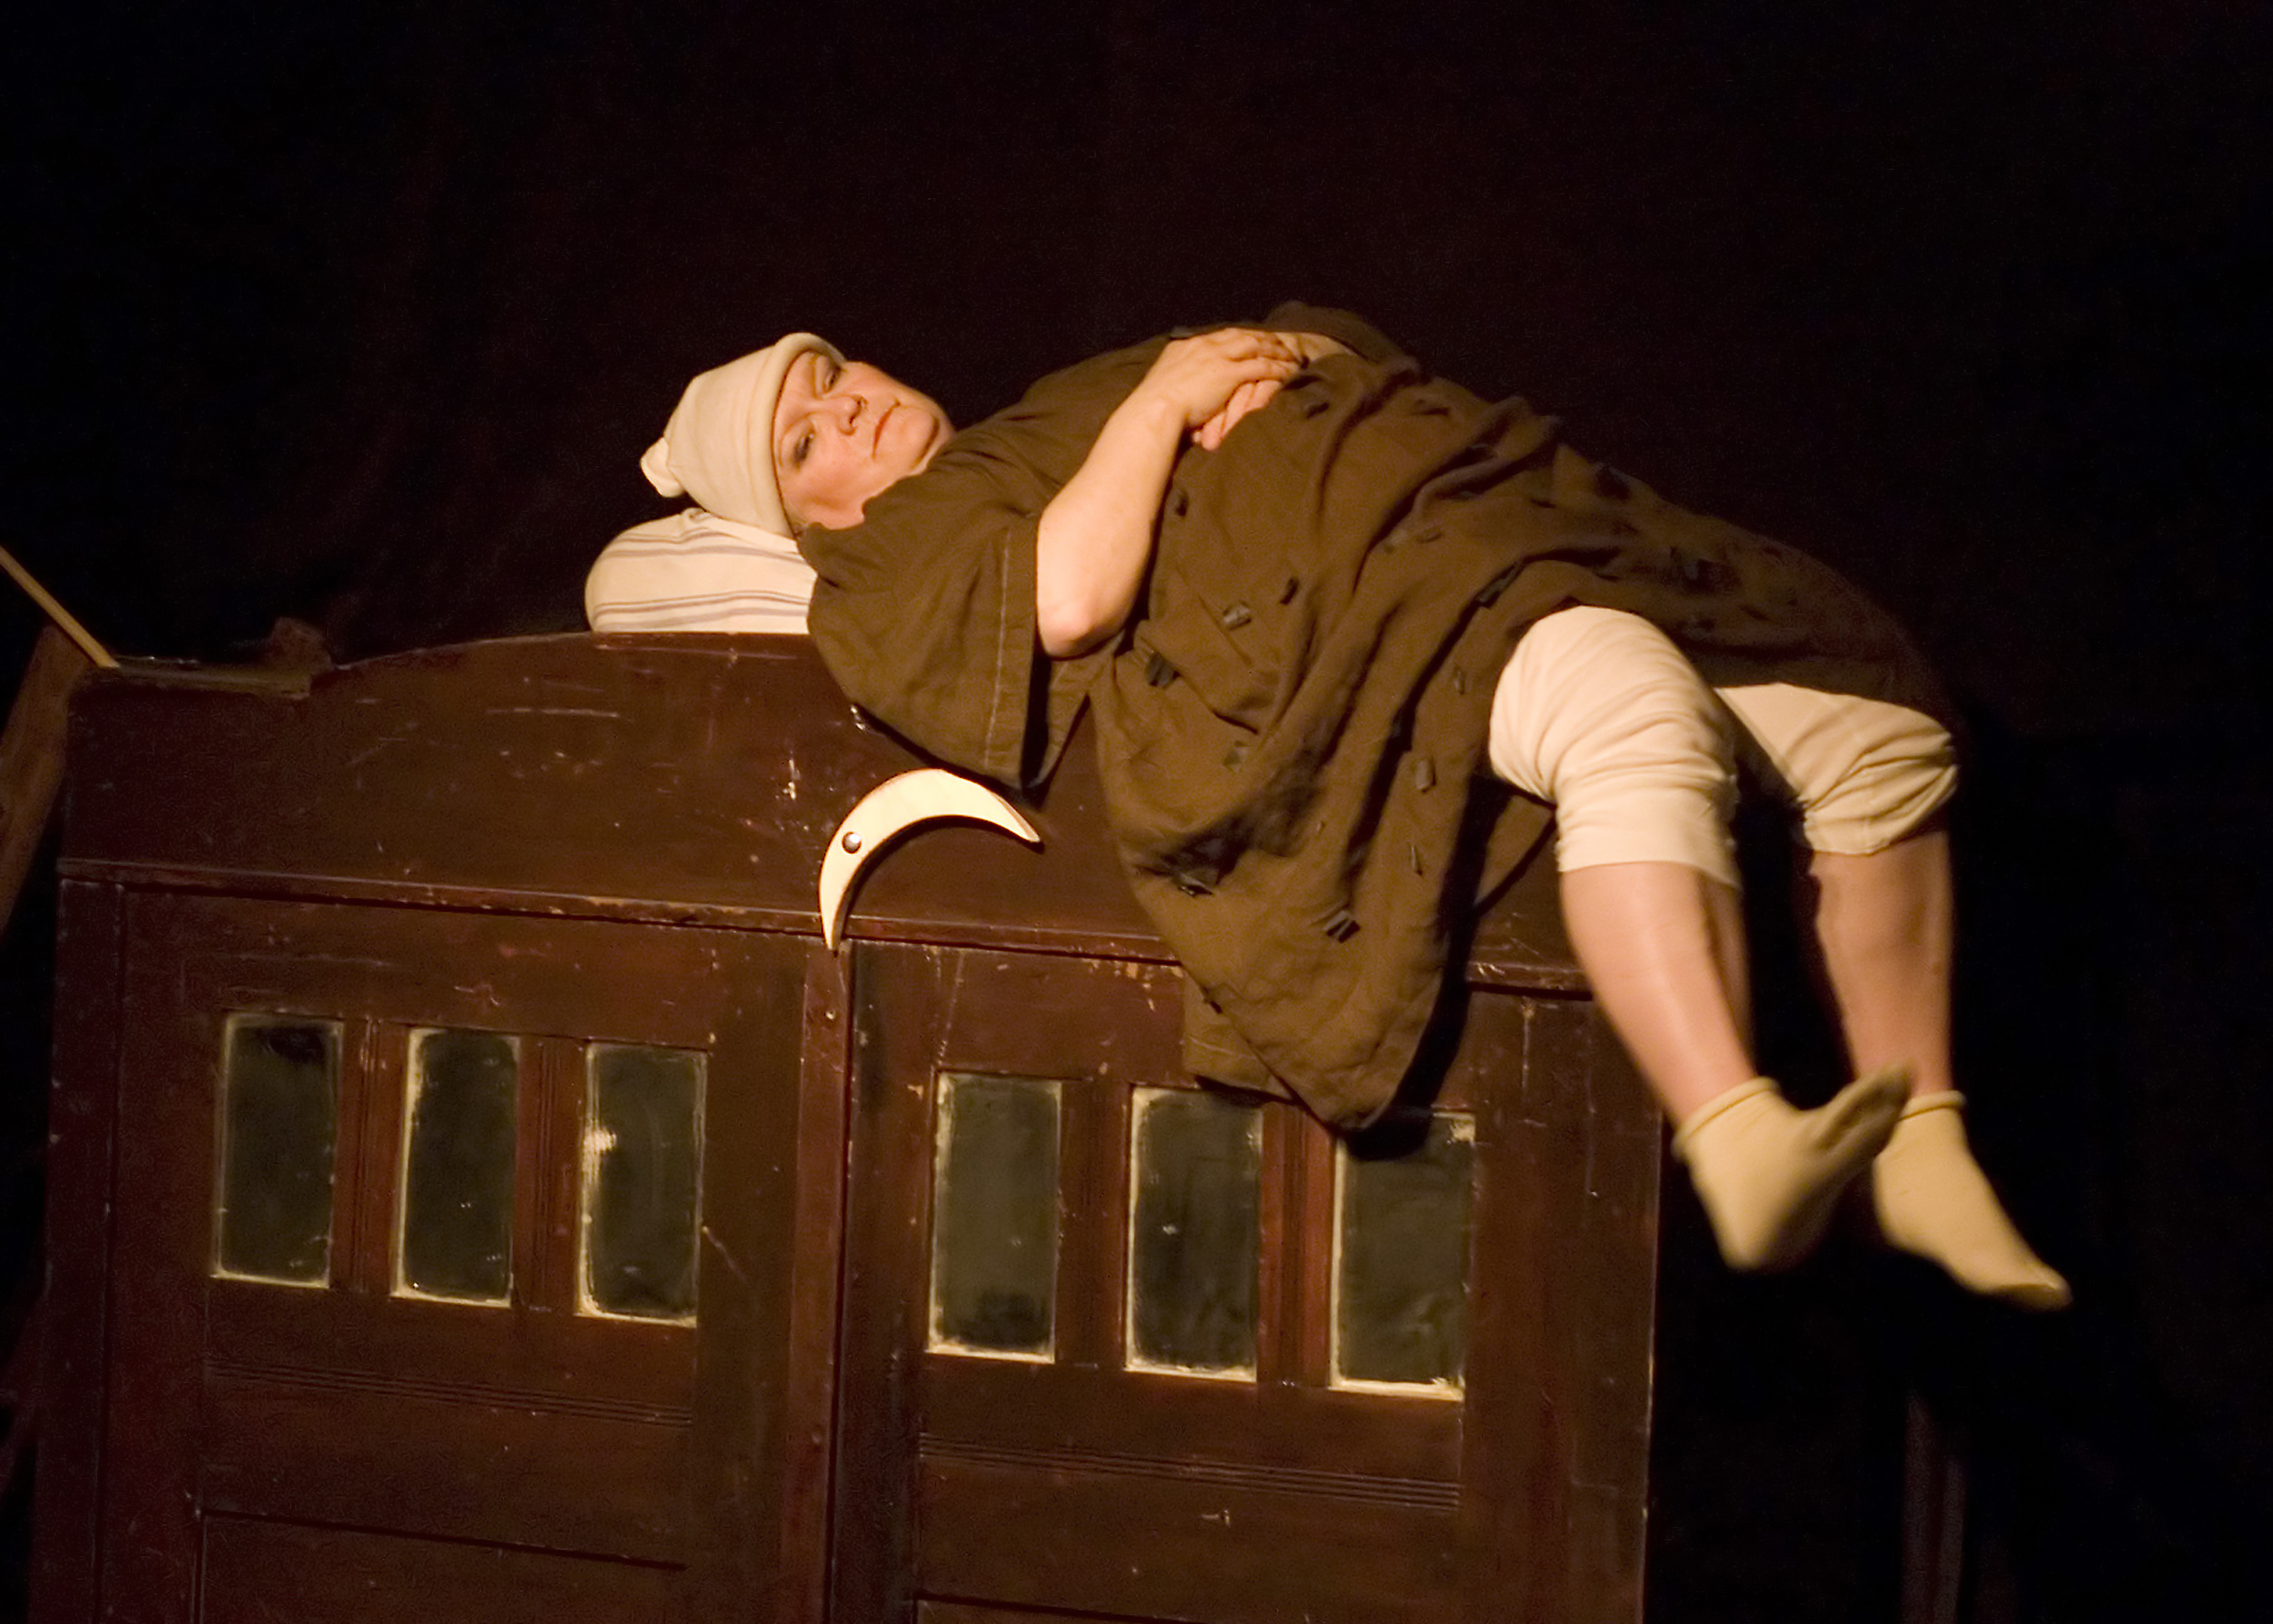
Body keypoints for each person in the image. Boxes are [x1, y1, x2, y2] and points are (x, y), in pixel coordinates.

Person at [599, 306, 2067, 1309]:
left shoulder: (1043, 407)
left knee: (1875, 735)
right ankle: (1734, 1130)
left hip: (1474, 526)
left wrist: (1286, 359)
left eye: (829, 375)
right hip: (1357, 632)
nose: (846, 407)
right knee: (1622, 698)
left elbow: (1309, 355)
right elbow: (1068, 597)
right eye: (805, 442)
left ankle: (1923, 1143)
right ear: (802, 518)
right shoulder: (887, 562)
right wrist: (1172, 400)